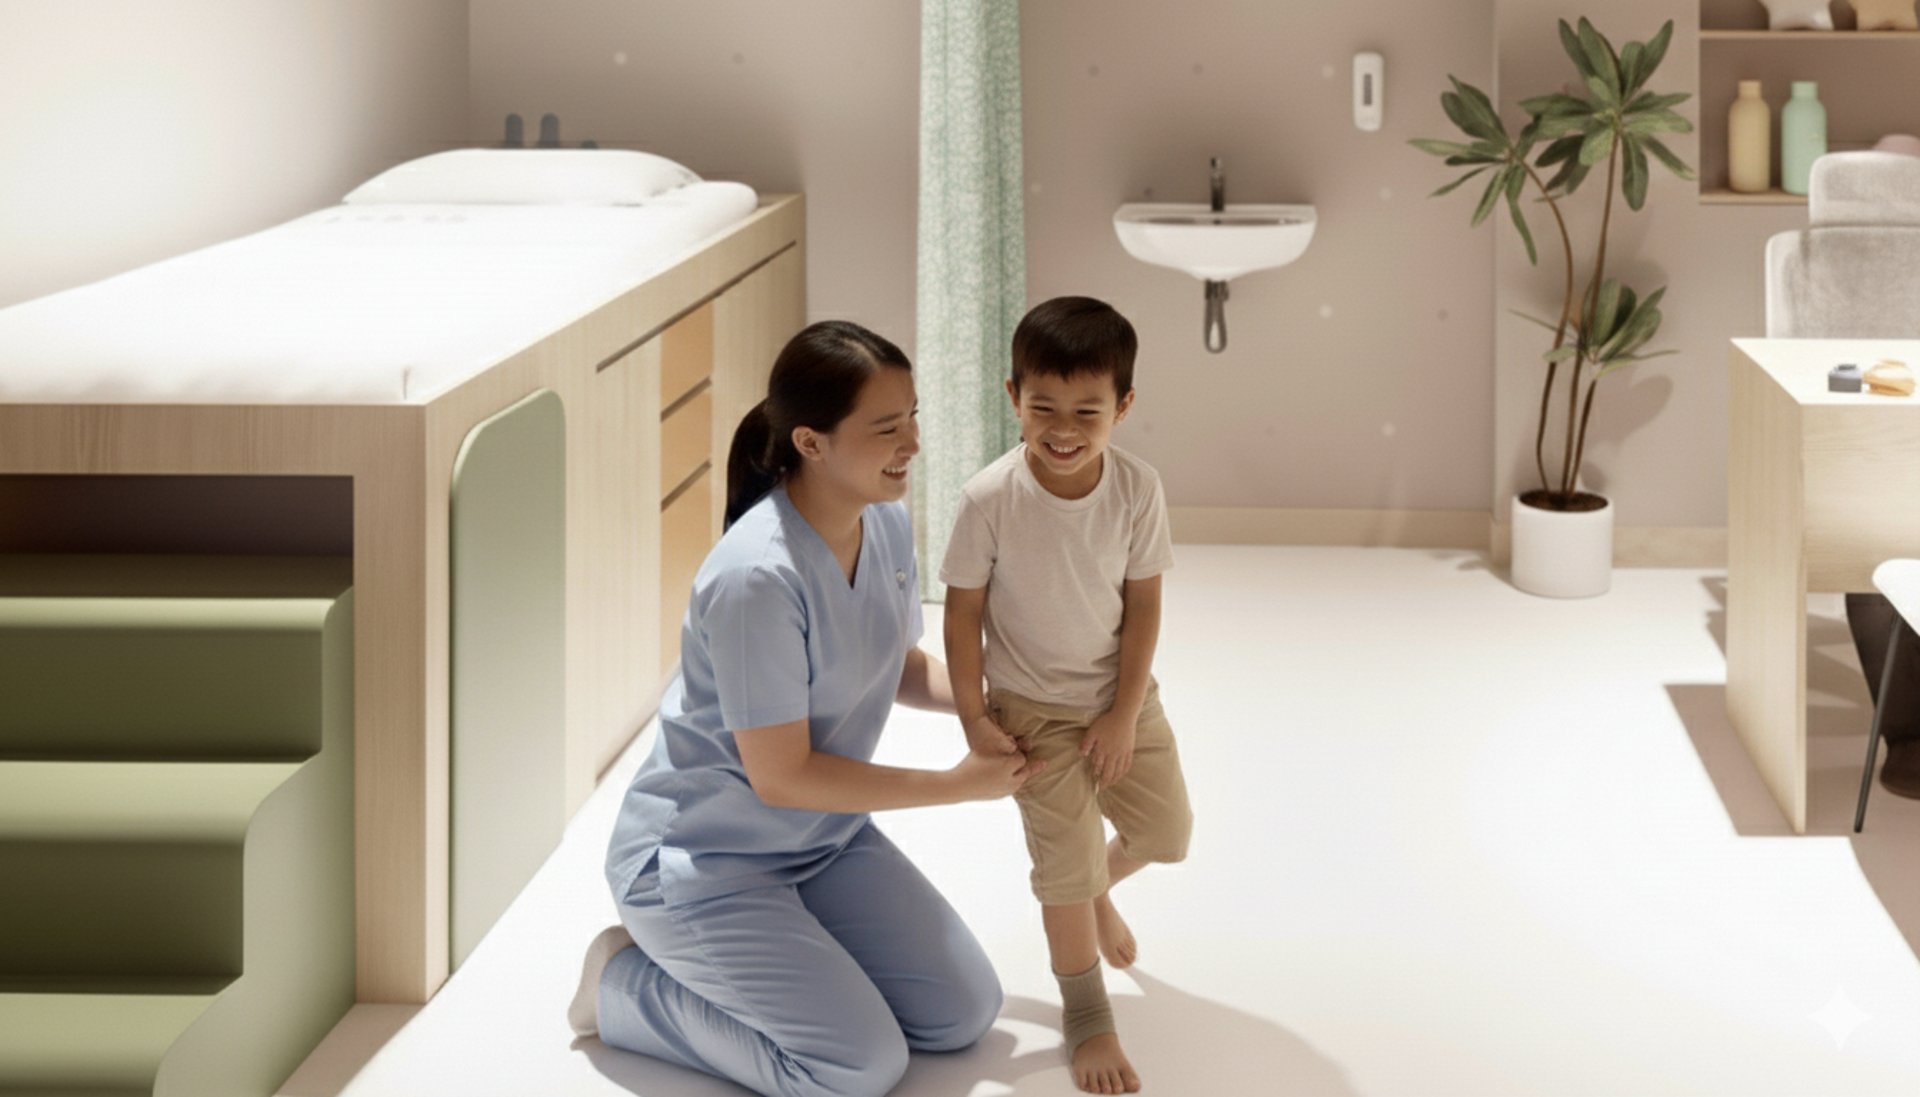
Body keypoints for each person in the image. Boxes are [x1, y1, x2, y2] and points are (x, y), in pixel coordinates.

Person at [569, 320, 1045, 1097]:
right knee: (857, 1068)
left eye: (913, 416)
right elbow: (782, 776)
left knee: (962, 1014)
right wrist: (958, 784)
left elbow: (892, 663)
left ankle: (793, 957)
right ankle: (621, 983)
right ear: (811, 442)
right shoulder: (756, 578)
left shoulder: (883, 520)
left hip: (823, 840)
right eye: (887, 427)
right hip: (706, 861)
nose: (913, 442)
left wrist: (991, 710)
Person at [940, 296, 1193, 1096]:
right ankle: (1086, 1013)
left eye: (1087, 411)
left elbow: (1145, 605)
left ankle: (1095, 886)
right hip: (1032, 711)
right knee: (1063, 874)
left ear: (1123, 406)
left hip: (1122, 698)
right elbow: (962, 613)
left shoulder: (1138, 488)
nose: (1062, 428)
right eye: (1042, 406)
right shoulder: (989, 497)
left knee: (1167, 833)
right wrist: (975, 716)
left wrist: (1122, 713)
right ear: (1012, 396)